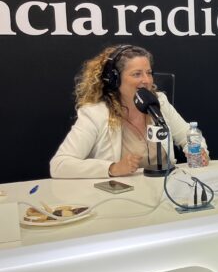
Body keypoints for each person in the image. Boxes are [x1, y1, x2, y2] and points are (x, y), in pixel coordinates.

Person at [51, 45, 209, 178]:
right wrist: (112, 168)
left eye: (149, 73)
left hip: (166, 190)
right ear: (115, 79)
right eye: (137, 74)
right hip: (119, 198)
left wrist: (197, 151)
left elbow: (189, 136)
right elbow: (59, 164)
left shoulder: (159, 101)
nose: (146, 80)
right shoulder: (96, 113)